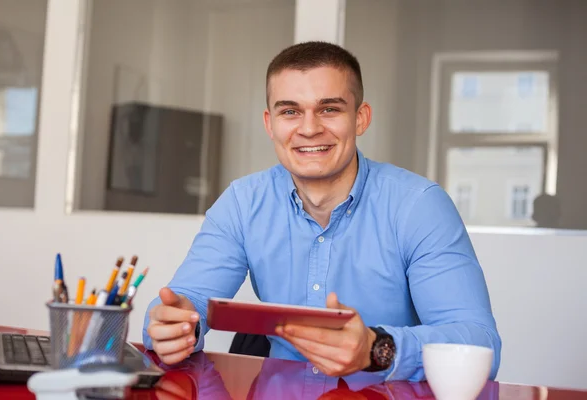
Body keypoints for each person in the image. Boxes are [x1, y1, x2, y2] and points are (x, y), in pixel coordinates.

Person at [143, 41, 501, 381]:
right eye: (290, 111)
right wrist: (172, 326)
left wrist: (376, 349)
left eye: (329, 109)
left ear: (360, 118)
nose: (310, 128)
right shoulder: (242, 202)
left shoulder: (419, 206)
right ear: (270, 124)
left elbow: (479, 344)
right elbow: (184, 303)